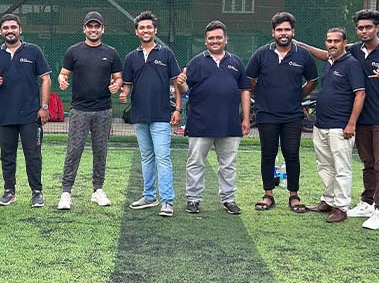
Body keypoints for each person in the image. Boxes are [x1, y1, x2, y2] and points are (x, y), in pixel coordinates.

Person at [299, 9, 379, 230]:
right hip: (362, 118)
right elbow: (328, 53)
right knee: (368, 163)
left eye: (368, 27)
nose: (364, 31)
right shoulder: (356, 49)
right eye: (360, 28)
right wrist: (299, 44)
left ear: (377, 28)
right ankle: (367, 203)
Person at [174, 20, 249, 215]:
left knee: (228, 165)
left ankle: (229, 199)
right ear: (205, 41)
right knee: (195, 163)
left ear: (226, 39)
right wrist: (180, 83)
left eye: (218, 37)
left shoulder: (236, 62)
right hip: (200, 123)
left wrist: (246, 118)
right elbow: (185, 89)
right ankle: (193, 199)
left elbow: (244, 90)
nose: (215, 41)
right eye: (211, 38)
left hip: (230, 123)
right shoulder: (195, 62)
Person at [246, 12, 318, 213]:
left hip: (292, 115)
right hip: (266, 114)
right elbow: (250, 80)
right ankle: (268, 194)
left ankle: (294, 196)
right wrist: (262, 95)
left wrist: (297, 95)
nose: (283, 33)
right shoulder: (261, 54)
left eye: (287, 29)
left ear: (293, 32)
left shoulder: (303, 55)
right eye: (279, 30)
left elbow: (312, 81)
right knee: (268, 154)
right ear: (273, 32)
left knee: (292, 154)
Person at [55, 11, 123, 210]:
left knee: (100, 151)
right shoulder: (73, 51)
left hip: (104, 111)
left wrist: (117, 85)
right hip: (79, 110)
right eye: (90, 26)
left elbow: (118, 77)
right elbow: (63, 74)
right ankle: (66, 192)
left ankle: (98, 190)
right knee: (74, 150)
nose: (93, 30)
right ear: (84, 29)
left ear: (103, 29)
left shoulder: (111, 53)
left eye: (97, 26)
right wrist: (62, 79)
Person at [0, 14, 52, 207]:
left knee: (33, 156)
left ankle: (37, 192)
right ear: (1, 32)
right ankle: (9, 192)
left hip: (31, 116)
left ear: (20, 30)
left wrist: (44, 107)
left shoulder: (33, 51)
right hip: (5, 115)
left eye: (13, 27)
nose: (10, 31)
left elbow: (46, 79)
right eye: (5, 28)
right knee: (7, 156)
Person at [121, 11, 181, 218]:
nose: (145, 30)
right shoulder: (131, 57)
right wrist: (123, 93)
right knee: (146, 157)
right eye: (142, 27)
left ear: (155, 30)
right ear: (136, 32)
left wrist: (178, 109)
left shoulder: (166, 54)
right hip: (139, 116)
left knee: (162, 157)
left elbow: (176, 84)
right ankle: (148, 196)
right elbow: (127, 85)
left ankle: (167, 201)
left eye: (149, 27)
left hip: (161, 115)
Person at [303, 28, 365, 223]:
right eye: (329, 41)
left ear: (345, 43)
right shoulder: (329, 62)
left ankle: (341, 206)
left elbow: (360, 94)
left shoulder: (352, 64)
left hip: (340, 126)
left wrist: (351, 123)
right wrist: (299, 43)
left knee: (341, 167)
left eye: (336, 41)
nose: (332, 44)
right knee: (324, 165)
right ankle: (329, 200)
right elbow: (320, 54)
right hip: (321, 124)